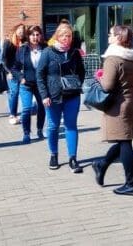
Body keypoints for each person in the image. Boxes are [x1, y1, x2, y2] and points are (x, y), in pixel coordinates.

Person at [93, 25, 133, 196]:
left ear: (118, 38)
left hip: (118, 104)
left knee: (125, 141)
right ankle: (102, 165)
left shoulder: (113, 58)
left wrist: (98, 77)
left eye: (110, 34)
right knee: (124, 138)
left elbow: (107, 85)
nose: (108, 36)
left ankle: (131, 184)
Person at [36, 22, 86, 172]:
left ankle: (73, 158)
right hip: (53, 96)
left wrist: (75, 84)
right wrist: (44, 95)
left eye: (69, 35)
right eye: (63, 35)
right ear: (57, 36)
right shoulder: (47, 52)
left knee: (71, 126)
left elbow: (81, 72)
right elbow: (40, 75)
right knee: (53, 126)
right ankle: (54, 155)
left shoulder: (75, 53)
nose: (66, 38)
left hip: (72, 96)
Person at [13, 25, 47, 144]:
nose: (35, 37)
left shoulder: (46, 48)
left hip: (41, 84)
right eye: (32, 35)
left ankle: (40, 129)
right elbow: (15, 68)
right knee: (26, 109)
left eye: (37, 34)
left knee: (42, 107)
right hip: (26, 84)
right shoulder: (22, 49)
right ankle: (26, 133)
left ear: (41, 36)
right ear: (28, 36)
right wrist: (20, 78)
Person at [2, 23, 27, 125]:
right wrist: (8, 72)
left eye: (23, 31)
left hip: (22, 72)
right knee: (14, 92)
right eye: (20, 30)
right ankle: (13, 114)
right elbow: (3, 59)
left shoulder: (25, 43)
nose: (21, 33)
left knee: (20, 92)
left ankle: (22, 112)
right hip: (11, 72)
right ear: (16, 30)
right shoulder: (8, 43)